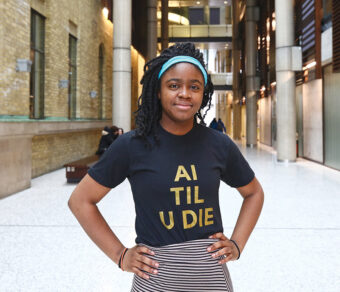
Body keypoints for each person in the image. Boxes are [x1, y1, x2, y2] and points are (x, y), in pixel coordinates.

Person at [68, 43, 264, 292]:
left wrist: (237, 244)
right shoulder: (132, 145)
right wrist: (120, 255)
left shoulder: (219, 144)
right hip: (154, 280)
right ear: (158, 91)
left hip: (210, 279)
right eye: (174, 85)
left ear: (203, 94)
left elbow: (254, 193)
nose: (185, 93)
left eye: (194, 87)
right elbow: (80, 201)